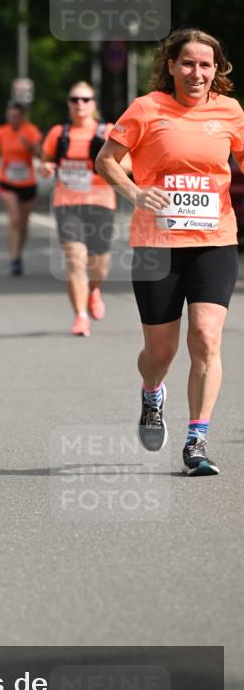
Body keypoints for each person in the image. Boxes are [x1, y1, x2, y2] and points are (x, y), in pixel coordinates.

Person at [95, 28, 244, 476]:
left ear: (216, 70)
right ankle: (151, 391)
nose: (196, 73)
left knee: (207, 338)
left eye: (205, 65)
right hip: (157, 245)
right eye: (187, 63)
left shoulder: (230, 111)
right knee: (160, 352)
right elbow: (105, 159)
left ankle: (196, 441)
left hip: (214, 240)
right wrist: (135, 192)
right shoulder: (146, 109)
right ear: (171, 65)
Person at [39, 81, 122, 336]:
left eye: (85, 99)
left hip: (100, 202)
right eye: (75, 99)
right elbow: (45, 162)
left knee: (100, 265)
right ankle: (80, 316)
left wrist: (107, 166)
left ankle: (94, 289)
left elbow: (127, 164)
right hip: (67, 203)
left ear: (94, 104)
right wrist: (46, 168)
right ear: (69, 104)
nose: (80, 104)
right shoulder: (58, 132)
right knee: (75, 259)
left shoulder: (107, 131)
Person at [0, 102, 43, 275]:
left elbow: (40, 154)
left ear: (23, 116)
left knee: (24, 224)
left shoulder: (31, 131)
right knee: (15, 219)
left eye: (17, 116)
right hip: (7, 181)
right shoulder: (0, 131)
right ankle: (14, 258)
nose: (13, 119)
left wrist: (30, 147)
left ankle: (18, 252)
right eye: (10, 115)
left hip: (27, 183)